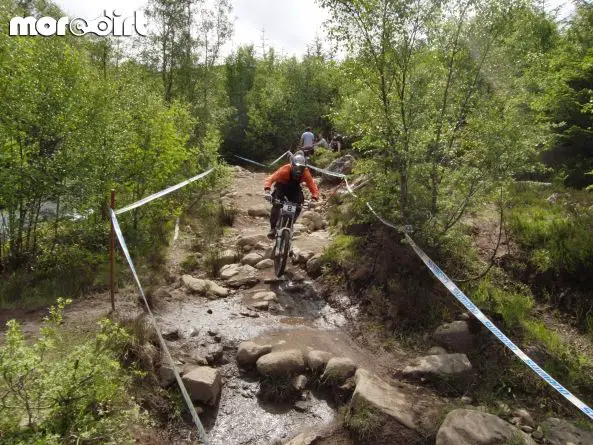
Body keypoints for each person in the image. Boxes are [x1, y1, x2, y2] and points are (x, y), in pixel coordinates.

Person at [264, 151, 319, 240]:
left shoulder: (305, 172)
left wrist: (314, 198)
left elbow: (312, 185)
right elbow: (270, 178)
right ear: (292, 165)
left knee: (299, 204)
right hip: (281, 187)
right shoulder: (285, 169)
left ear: (304, 167)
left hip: (294, 188)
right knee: (276, 204)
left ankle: (290, 224)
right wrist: (267, 190)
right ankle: (273, 228)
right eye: (296, 167)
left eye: (301, 168)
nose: (298, 170)